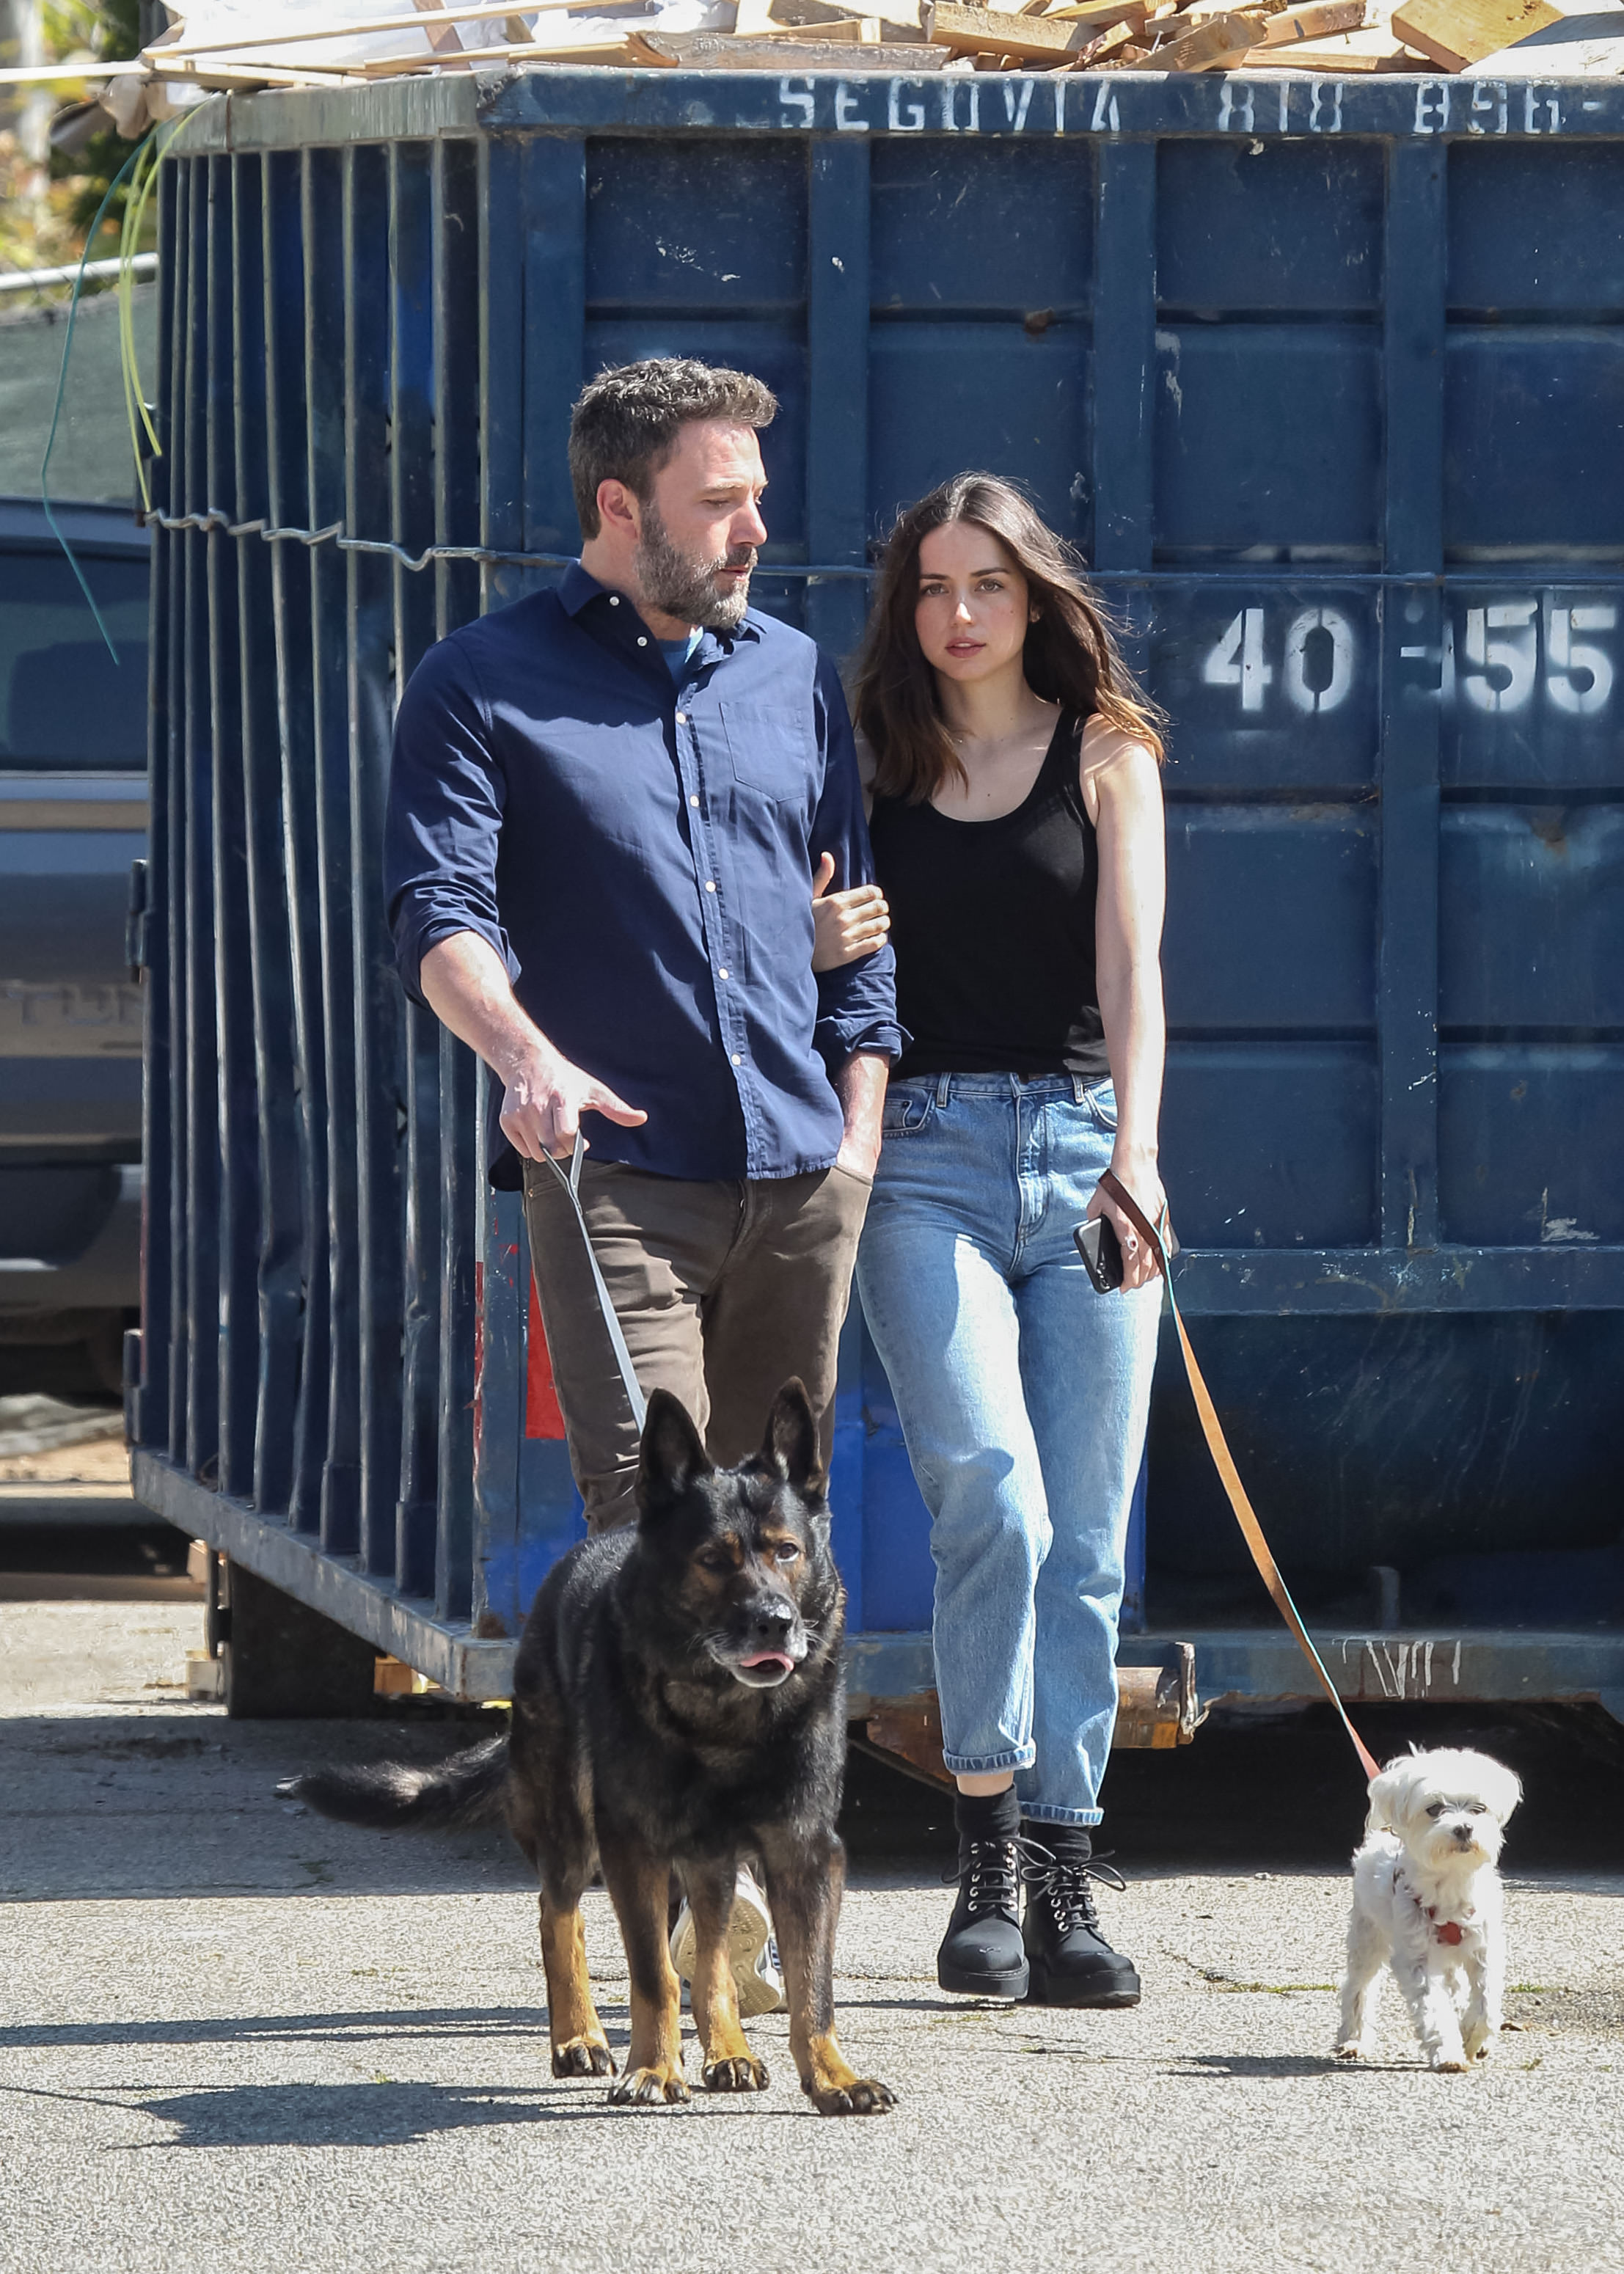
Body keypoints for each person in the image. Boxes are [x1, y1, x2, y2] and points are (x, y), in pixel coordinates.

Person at [384, 357, 901, 2016]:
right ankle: (699, 1935)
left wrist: (861, 1126)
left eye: (754, 493)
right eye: (720, 500)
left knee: (789, 1561)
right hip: (613, 1175)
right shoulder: (482, 683)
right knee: (652, 1544)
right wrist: (524, 1054)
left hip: (800, 1172)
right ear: (621, 509)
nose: (757, 527)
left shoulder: (798, 677)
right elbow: (438, 916)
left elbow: (853, 923)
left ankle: (738, 1892)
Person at [815, 472, 1168, 2008]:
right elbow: (795, 948)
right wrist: (813, 936)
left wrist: (1140, 1160)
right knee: (993, 1496)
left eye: (987, 588)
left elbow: (1136, 971)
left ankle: (1066, 1882)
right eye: (933, 589)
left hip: (1090, 1151)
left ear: (1036, 599)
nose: (956, 617)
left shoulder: (1107, 755)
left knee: (1086, 1538)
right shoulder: (873, 759)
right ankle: (979, 1864)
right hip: (927, 1165)